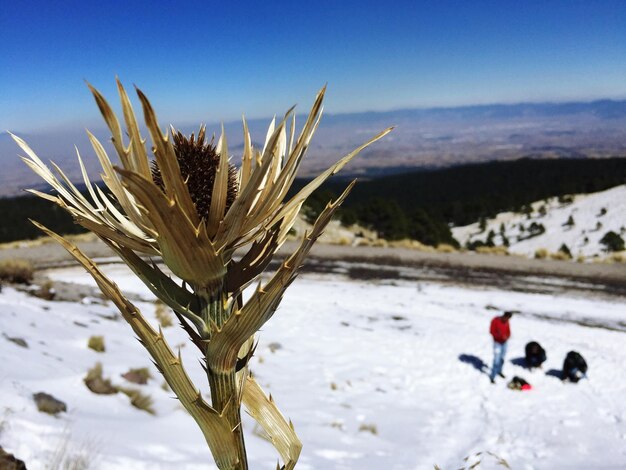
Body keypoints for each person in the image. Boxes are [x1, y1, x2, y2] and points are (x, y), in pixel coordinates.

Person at [489, 311, 513, 383]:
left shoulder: (507, 322)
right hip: (497, 343)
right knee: (496, 360)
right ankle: (492, 376)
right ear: (504, 316)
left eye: (508, 319)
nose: (507, 320)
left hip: (504, 343)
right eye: (506, 318)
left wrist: (507, 336)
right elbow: (491, 331)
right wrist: (500, 336)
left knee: (502, 358)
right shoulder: (495, 320)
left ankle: (499, 371)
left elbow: (508, 331)